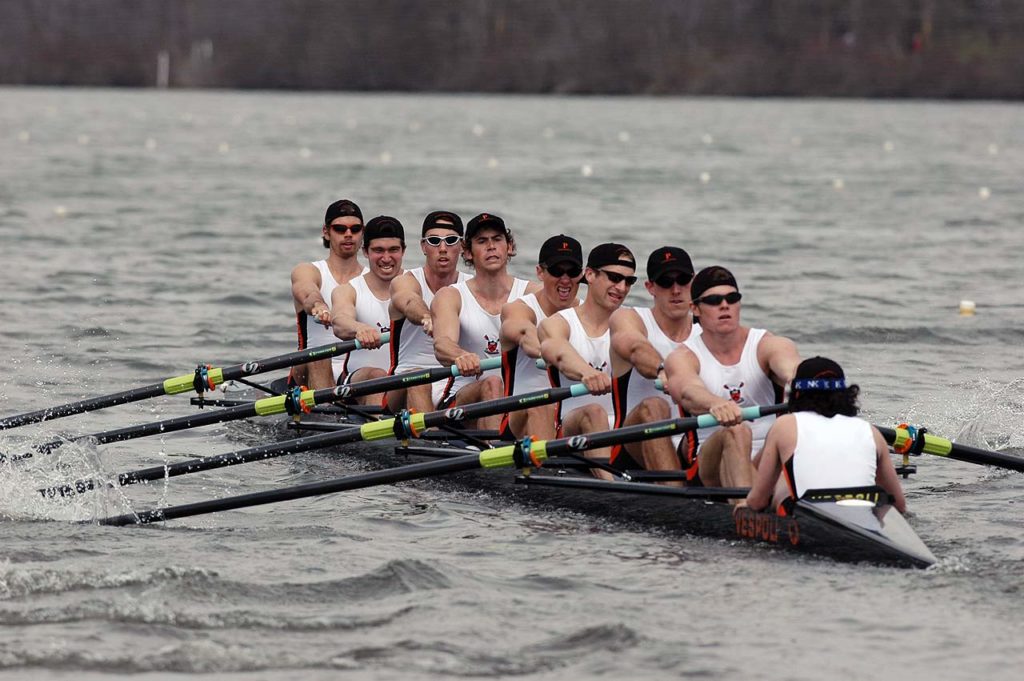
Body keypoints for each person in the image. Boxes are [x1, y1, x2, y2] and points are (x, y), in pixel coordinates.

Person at [665, 265, 801, 488]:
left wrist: (803, 383)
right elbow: (687, 390)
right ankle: (747, 512)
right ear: (695, 309)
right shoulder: (683, 356)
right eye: (714, 300)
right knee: (736, 431)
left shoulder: (768, 344)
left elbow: (792, 368)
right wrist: (716, 404)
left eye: (731, 298)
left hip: (766, 458)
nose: (724, 305)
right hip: (709, 462)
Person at [743, 357, 908, 514]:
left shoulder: (785, 425)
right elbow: (899, 505)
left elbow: (758, 502)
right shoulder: (871, 431)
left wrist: (744, 506)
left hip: (806, 520)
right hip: (862, 516)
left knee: (782, 479)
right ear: (846, 394)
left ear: (797, 394)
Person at [431, 213, 539, 430]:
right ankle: (496, 455)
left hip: (516, 399)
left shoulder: (534, 293)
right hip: (463, 398)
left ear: (509, 247)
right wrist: (460, 356)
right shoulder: (451, 296)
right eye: (482, 241)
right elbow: (442, 344)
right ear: (468, 252)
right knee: (492, 383)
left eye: (497, 239)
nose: (491, 246)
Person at [540, 243, 636, 476]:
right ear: (590, 275)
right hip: (571, 430)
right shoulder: (558, 323)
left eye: (629, 281)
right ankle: (611, 490)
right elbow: (558, 351)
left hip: (622, 430)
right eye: (614, 277)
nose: (621, 287)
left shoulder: (632, 323)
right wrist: (586, 373)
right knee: (594, 411)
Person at [609, 247, 700, 481]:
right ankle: (675, 496)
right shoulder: (629, 318)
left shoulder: (707, 330)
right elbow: (636, 348)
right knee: (654, 406)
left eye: (683, 280)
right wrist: (663, 370)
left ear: (694, 283)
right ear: (651, 287)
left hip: (689, 445)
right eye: (666, 282)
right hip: (632, 446)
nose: (676, 289)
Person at [499, 234, 584, 439]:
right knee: (541, 402)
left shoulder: (587, 315)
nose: (565, 280)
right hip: (519, 418)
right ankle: (546, 468)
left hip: (568, 419)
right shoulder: (519, 309)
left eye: (572, 272)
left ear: (582, 275)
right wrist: (563, 360)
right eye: (556, 271)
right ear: (540, 272)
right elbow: (527, 337)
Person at [385, 211, 470, 413]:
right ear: (423, 246)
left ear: (462, 246)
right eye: (434, 241)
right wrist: (427, 317)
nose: (442, 248)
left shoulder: (470, 287)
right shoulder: (405, 281)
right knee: (418, 379)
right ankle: (431, 439)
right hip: (405, 382)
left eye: (450, 241)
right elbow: (408, 300)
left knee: (492, 383)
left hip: (453, 384)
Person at [289, 199, 367, 389]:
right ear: (326, 232)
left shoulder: (371, 279)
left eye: (355, 229)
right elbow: (308, 293)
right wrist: (319, 306)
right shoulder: (309, 270)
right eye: (340, 229)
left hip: (354, 372)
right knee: (319, 355)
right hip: (308, 368)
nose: (348, 234)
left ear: (362, 233)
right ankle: (323, 412)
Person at [330, 215, 405, 404]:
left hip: (405, 380)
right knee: (377, 376)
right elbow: (340, 321)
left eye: (393, 250)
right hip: (359, 380)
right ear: (365, 251)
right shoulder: (348, 290)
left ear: (403, 251)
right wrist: (359, 328)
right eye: (378, 250)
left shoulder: (416, 286)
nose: (386, 258)